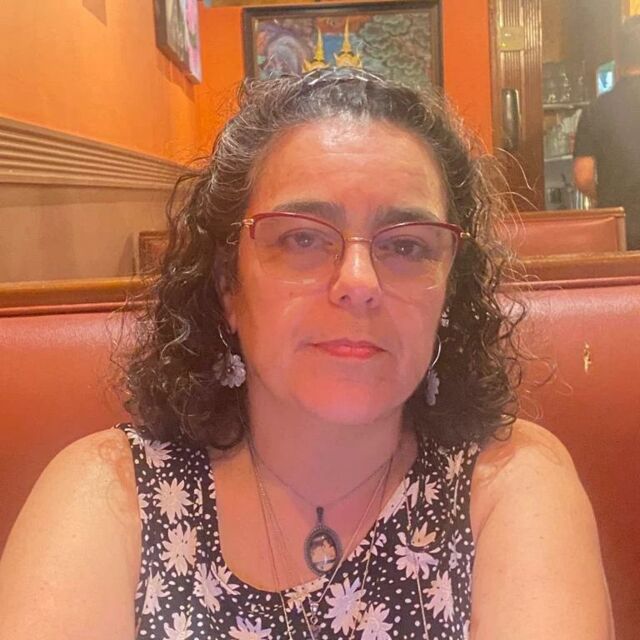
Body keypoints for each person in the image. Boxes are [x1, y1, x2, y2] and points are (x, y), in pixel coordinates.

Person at [0, 68, 613, 639]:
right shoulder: (109, 493)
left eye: (406, 247)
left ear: (449, 292)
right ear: (228, 286)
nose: (359, 282)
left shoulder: (508, 481)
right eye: (301, 238)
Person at [574, 15, 640, 250]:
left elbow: (583, 177)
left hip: (618, 227)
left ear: (618, 58)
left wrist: (605, 197)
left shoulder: (596, 110)